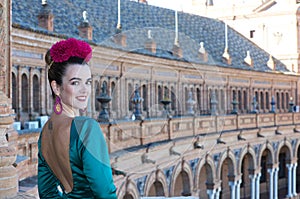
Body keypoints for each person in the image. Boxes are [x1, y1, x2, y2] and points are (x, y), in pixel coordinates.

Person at [38, 38, 117, 198]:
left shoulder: (45, 132)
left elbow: (46, 193)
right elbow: (104, 192)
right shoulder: (86, 127)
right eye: (75, 83)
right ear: (56, 87)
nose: (85, 90)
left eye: (87, 82)